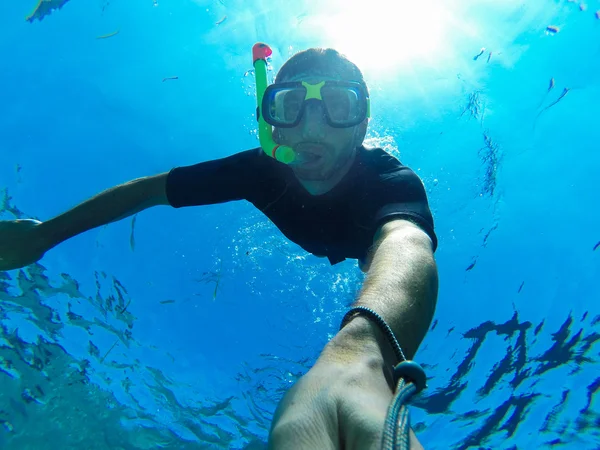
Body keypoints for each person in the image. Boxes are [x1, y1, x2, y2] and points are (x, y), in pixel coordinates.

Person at [0, 46, 439, 449]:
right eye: (289, 106)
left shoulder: (389, 180)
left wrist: (362, 352)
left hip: (368, 243)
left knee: (379, 257)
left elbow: (407, 243)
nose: (311, 127)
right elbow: (148, 190)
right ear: (272, 124)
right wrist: (45, 235)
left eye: (338, 106)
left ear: (362, 123)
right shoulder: (256, 171)